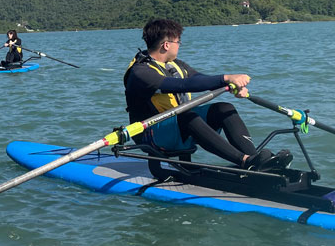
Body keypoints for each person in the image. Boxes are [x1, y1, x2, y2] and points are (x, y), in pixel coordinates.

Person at [123, 18, 292, 172]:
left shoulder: (175, 65)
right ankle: (244, 161)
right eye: (178, 41)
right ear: (166, 45)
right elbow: (181, 85)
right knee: (186, 116)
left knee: (224, 108)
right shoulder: (140, 72)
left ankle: (255, 160)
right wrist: (226, 77)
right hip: (152, 136)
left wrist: (230, 85)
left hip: (175, 128)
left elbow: (199, 78)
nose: (179, 45)